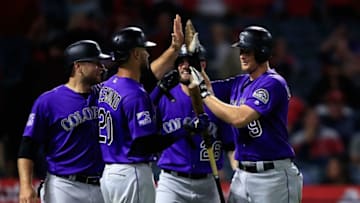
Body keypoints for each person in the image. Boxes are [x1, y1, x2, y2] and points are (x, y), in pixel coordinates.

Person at [190, 25, 303, 203]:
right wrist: (195, 64)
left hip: (272, 177)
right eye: (241, 50)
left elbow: (239, 118)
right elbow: (207, 87)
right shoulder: (240, 82)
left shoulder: (273, 83)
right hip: (242, 173)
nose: (242, 55)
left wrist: (204, 93)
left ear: (262, 52)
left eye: (247, 51)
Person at [97, 26, 208, 203]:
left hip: (110, 174)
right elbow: (146, 144)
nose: (148, 54)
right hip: (132, 173)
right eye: (145, 50)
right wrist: (185, 130)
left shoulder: (108, 86)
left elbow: (129, 112)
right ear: (135, 54)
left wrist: (159, 90)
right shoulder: (134, 93)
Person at [17, 40, 111, 203]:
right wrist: (25, 186)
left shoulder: (105, 96)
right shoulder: (48, 101)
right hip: (63, 186)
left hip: (101, 185)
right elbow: (27, 147)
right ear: (78, 66)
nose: (102, 68)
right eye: (96, 62)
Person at [151, 45, 235, 203]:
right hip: (172, 181)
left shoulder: (215, 99)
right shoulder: (165, 97)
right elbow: (148, 135)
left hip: (208, 182)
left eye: (189, 61)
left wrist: (237, 174)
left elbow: (230, 145)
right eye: (180, 61)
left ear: (202, 65)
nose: (184, 65)